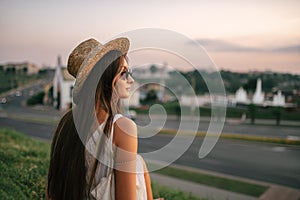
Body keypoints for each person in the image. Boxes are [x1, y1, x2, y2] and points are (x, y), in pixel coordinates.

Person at [47, 38, 154, 199]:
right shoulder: (122, 127)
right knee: (139, 164)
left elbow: (52, 191)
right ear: (105, 78)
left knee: (139, 163)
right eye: (123, 73)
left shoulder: (66, 123)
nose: (130, 80)